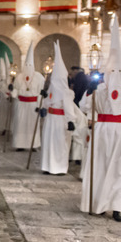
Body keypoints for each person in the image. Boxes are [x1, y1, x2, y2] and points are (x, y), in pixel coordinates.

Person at [80, 16, 121, 222]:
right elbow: (84, 107)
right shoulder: (99, 90)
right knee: (100, 167)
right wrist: (88, 92)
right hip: (102, 130)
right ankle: (98, 203)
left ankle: (117, 206)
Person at [39, 42, 86, 175]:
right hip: (50, 120)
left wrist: (71, 120)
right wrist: (44, 99)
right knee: (49, 143)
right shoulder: (52, 90)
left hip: (61, 120)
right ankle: (48, 165)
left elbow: (69, 107)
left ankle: (59, 167)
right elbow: (48, 103)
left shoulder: (66, 92)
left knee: (60, 144)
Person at [12, 43, 44, 151]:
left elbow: (40, 92)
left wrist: (40, 103)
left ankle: (33, 145)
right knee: (20, 124)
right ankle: (20, 144)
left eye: (30, 65)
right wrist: (13, 92)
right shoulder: (19, 77)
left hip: (33, 105)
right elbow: (16, 90)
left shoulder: (39, 77)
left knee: (32, 125)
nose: (28, 68)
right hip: (21, 104)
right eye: (26, 65)